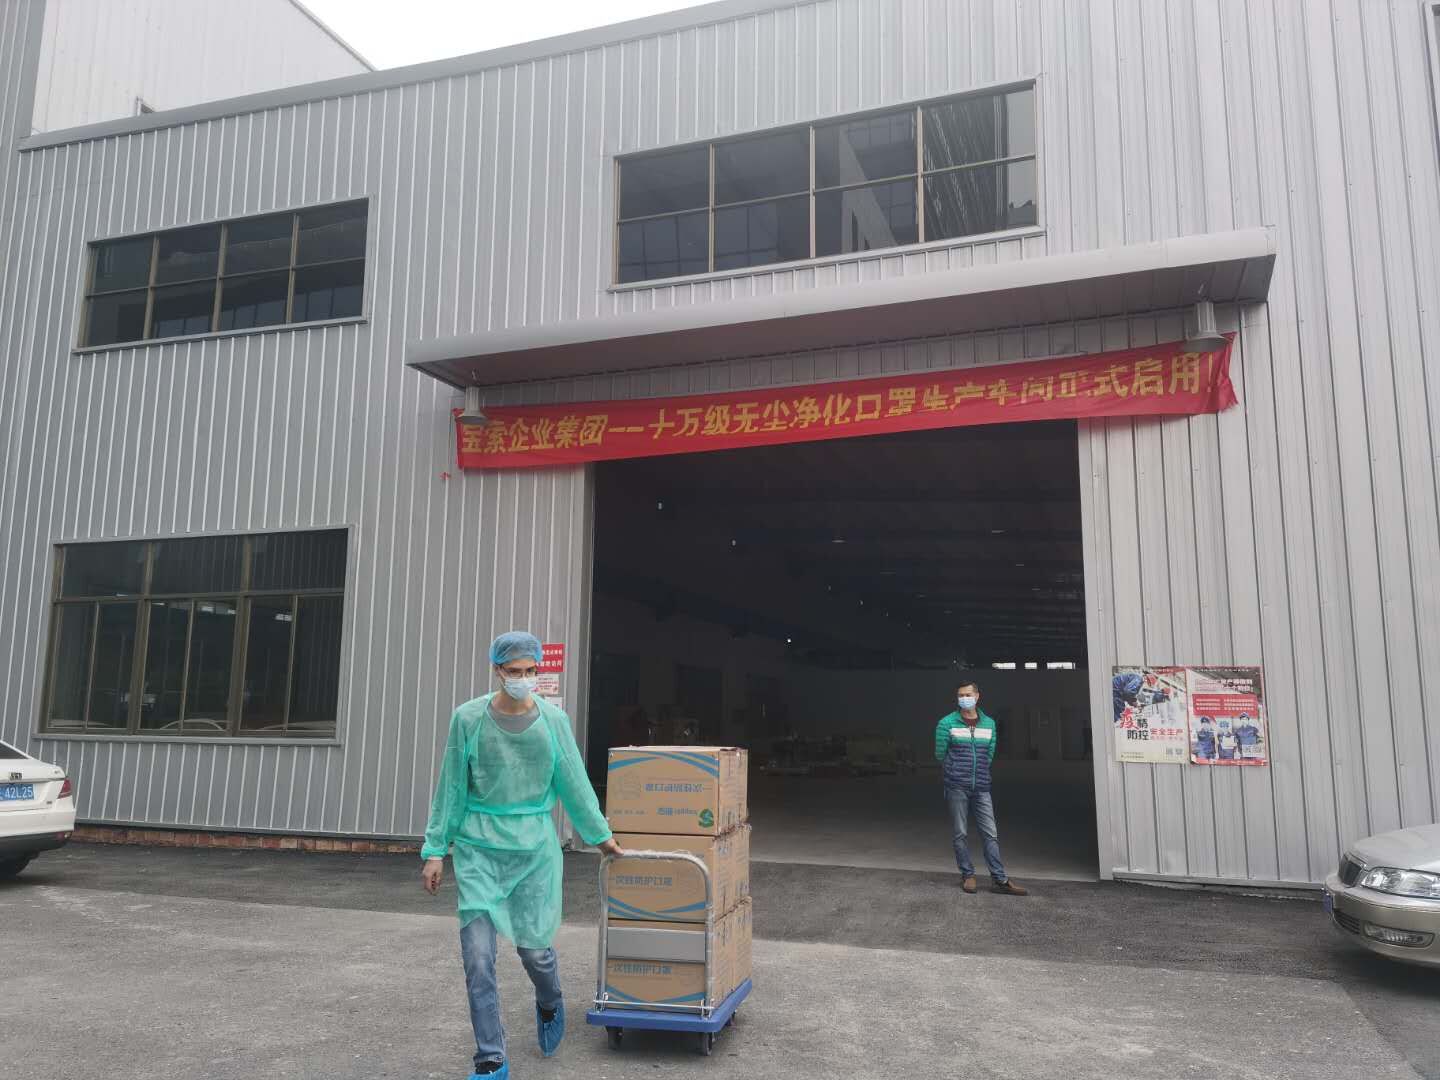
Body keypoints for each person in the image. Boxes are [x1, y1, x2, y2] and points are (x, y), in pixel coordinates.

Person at [421, 631, 623, 1080]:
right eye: (515, 671)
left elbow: (573, 781)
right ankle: (490, 1057)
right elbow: (451, 787)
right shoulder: (468, 719)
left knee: (536, 954)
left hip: (534, 851)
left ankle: (549, 1001)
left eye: (531, 670)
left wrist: (601, 837)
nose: (524, 678)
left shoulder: (553, 721)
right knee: (478, 958)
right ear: (497, 670)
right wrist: (435, 850)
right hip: (478, 849)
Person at [934, 682, 1027, 896]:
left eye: (968, 694)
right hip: (957, 786)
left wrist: (978, 773)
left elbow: (989, 755)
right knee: (960, 833)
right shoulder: (946, 723)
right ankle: (968, 875)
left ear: (977, 696)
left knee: (990, 834)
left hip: (982, 786)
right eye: (960, 695)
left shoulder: (989, 724)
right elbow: (940, 754)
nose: (964, 698)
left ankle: (999, 879)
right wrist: (955, 772)